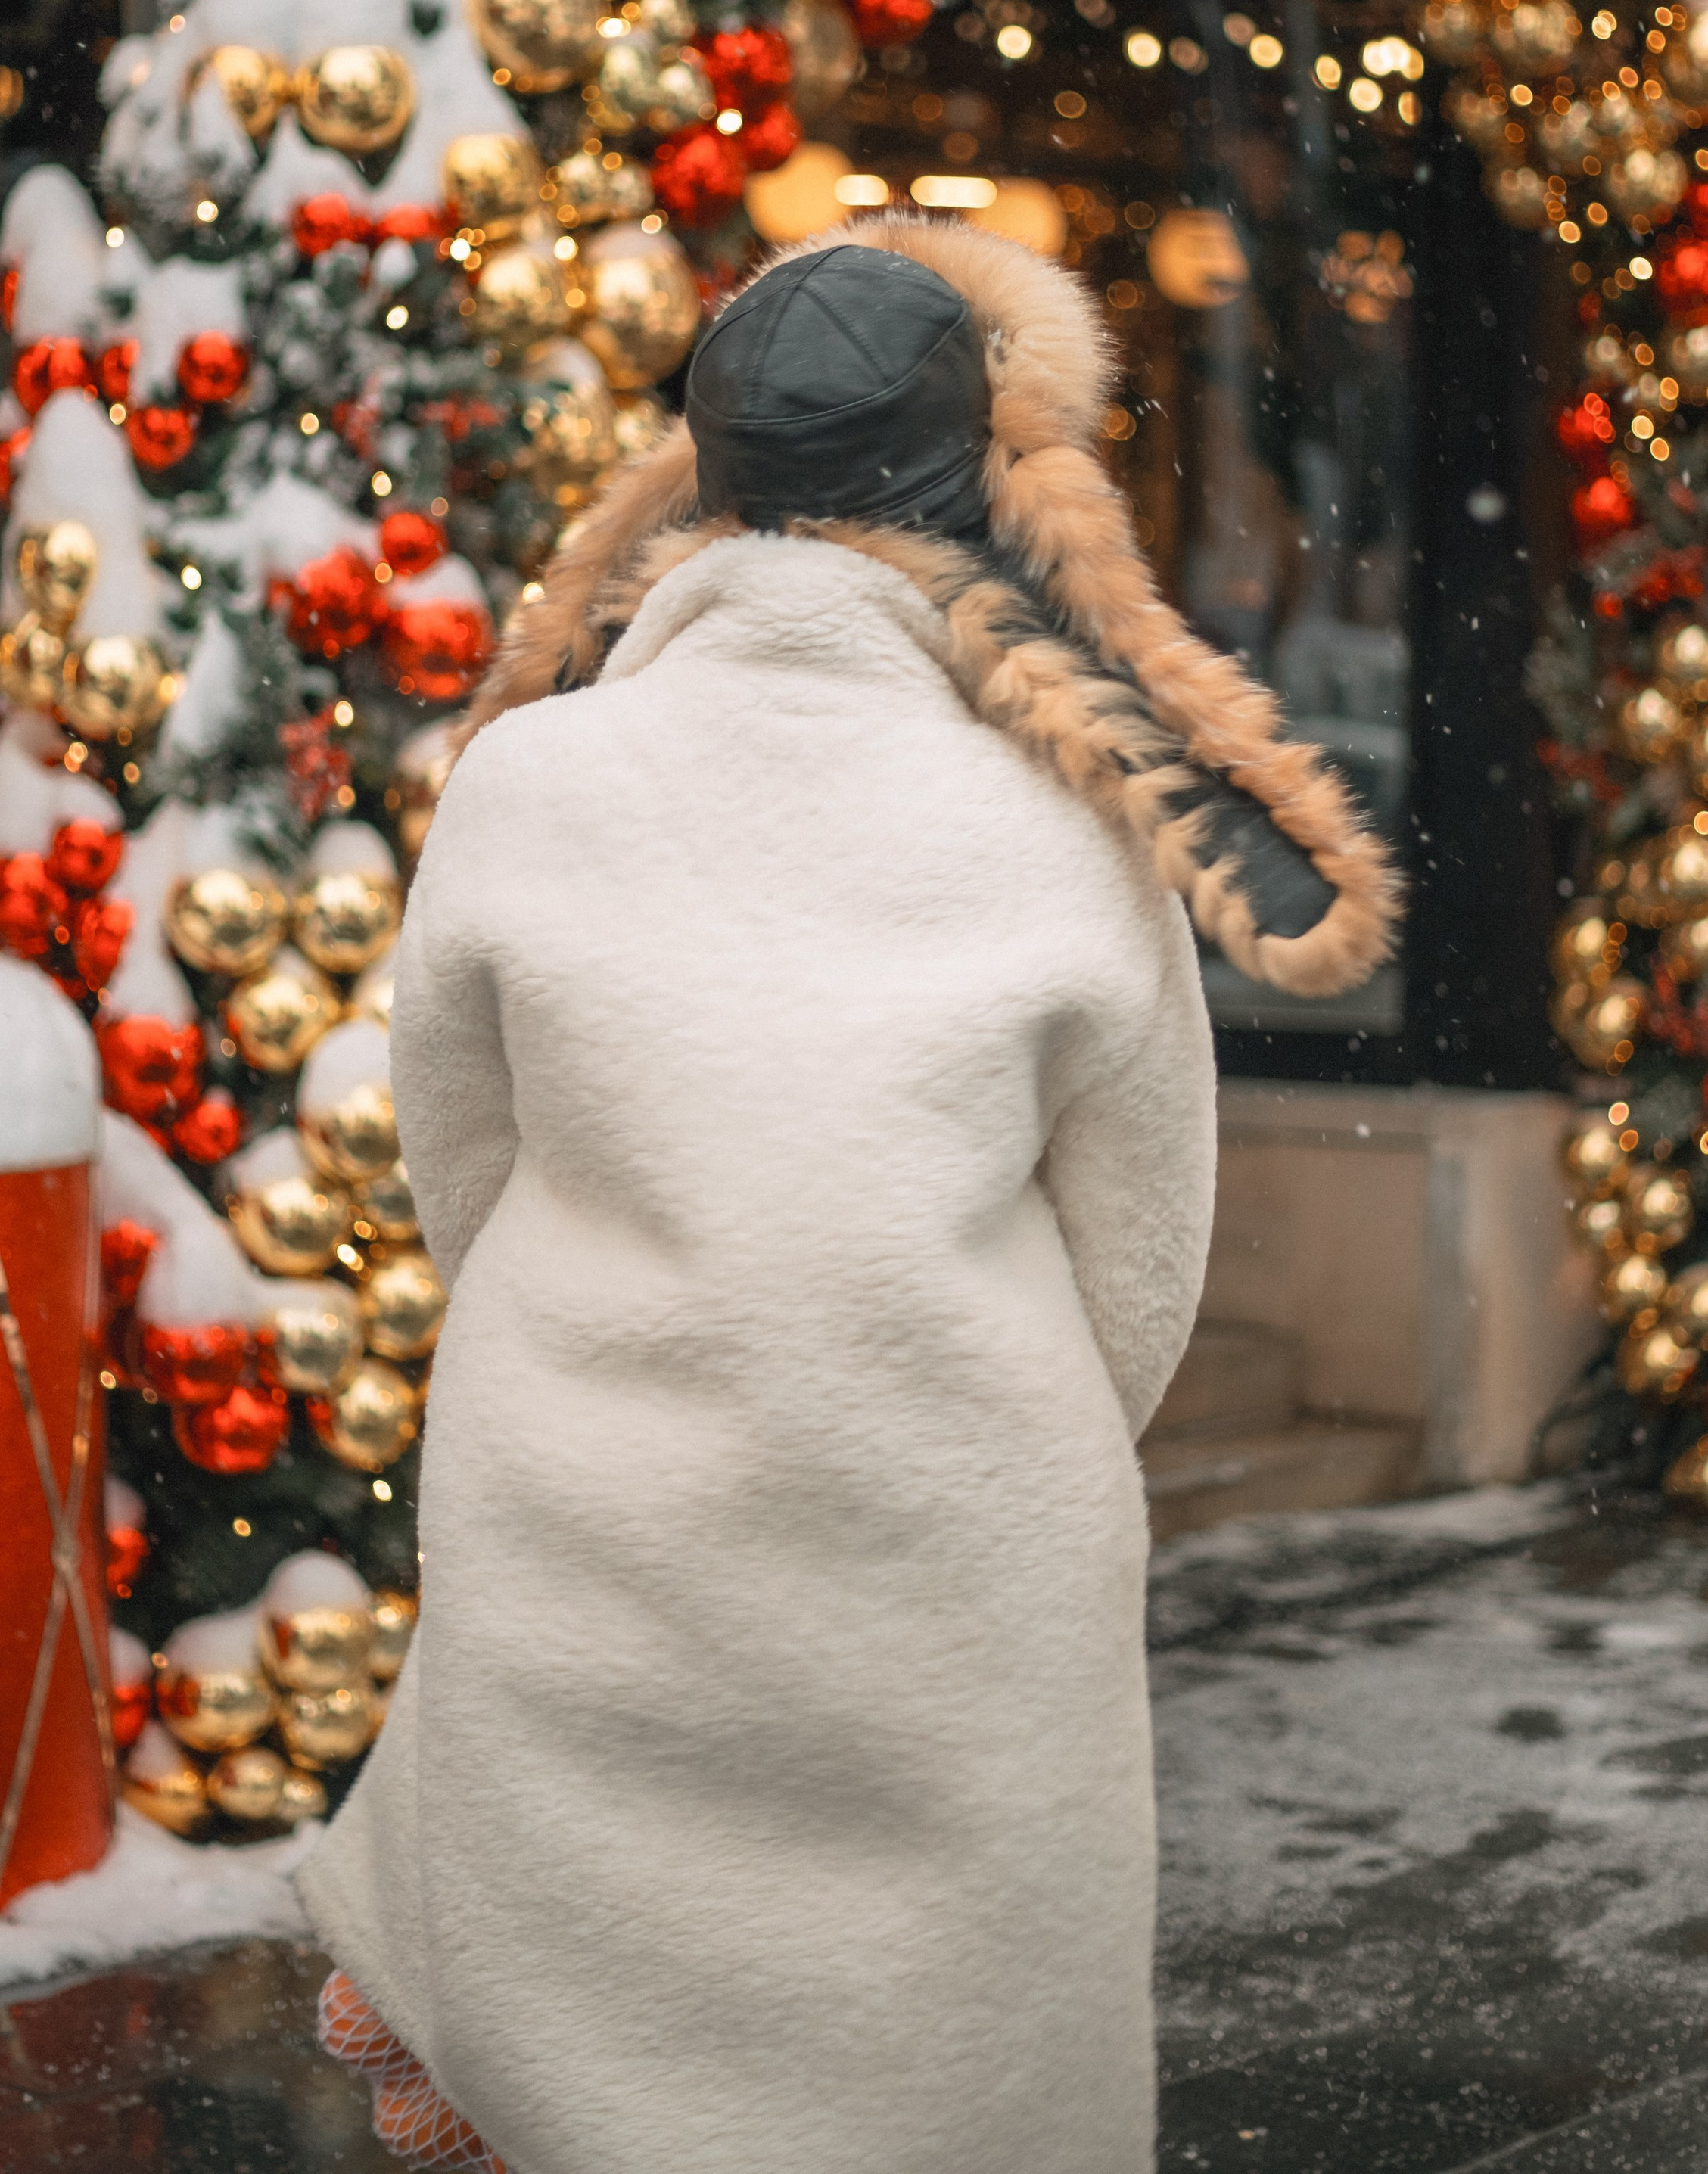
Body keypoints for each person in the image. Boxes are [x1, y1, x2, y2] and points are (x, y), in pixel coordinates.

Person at [303, 211, 1396, 2174]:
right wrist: (937, 1420)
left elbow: (460, 1173)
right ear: (989, 482)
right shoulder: (1074, 824)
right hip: (955, 1579)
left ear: (704, 486)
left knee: (570, 2038)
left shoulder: (531, 784)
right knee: (938, 2089)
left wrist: (632, 1354)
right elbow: (1137, 1265)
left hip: (592, 1545)